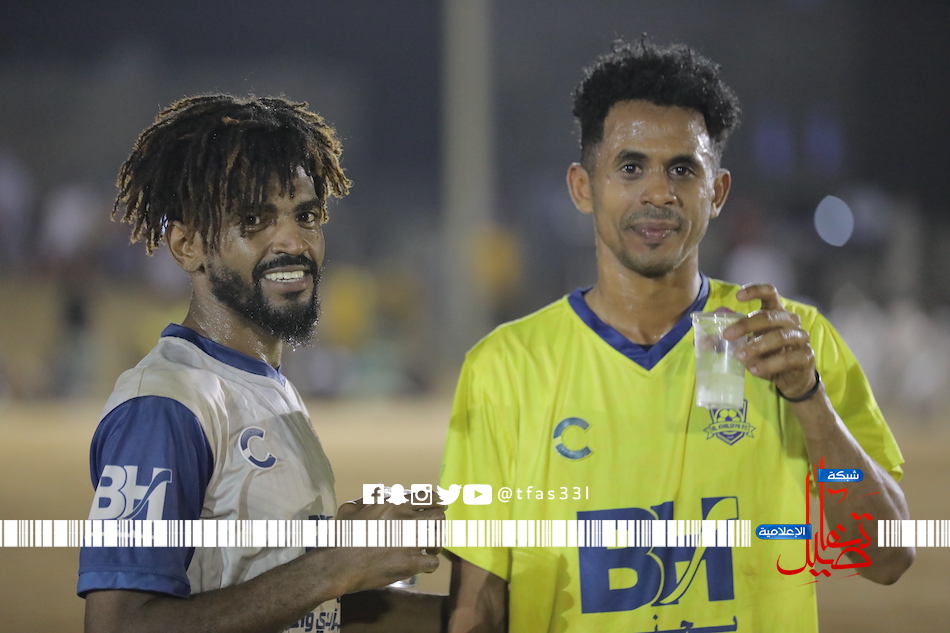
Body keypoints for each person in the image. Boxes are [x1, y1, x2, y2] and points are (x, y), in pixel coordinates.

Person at [440, 41, 914, 632]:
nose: (659, 193)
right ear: (583, 187)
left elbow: (885, 555)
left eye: (683, 170)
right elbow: (478, 604)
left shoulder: (792, 343)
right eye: (630, 168)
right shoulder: (504, 370)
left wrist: (809, 400)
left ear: (717, 192)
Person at [77, 94, 444, 633]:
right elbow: (118, 626)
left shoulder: (267, 390)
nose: (293, 240)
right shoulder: (167, 404)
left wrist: (489, 614)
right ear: (188, 245)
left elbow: (303, 611)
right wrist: (332, 566)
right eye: (254, 219)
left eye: (306, 215)